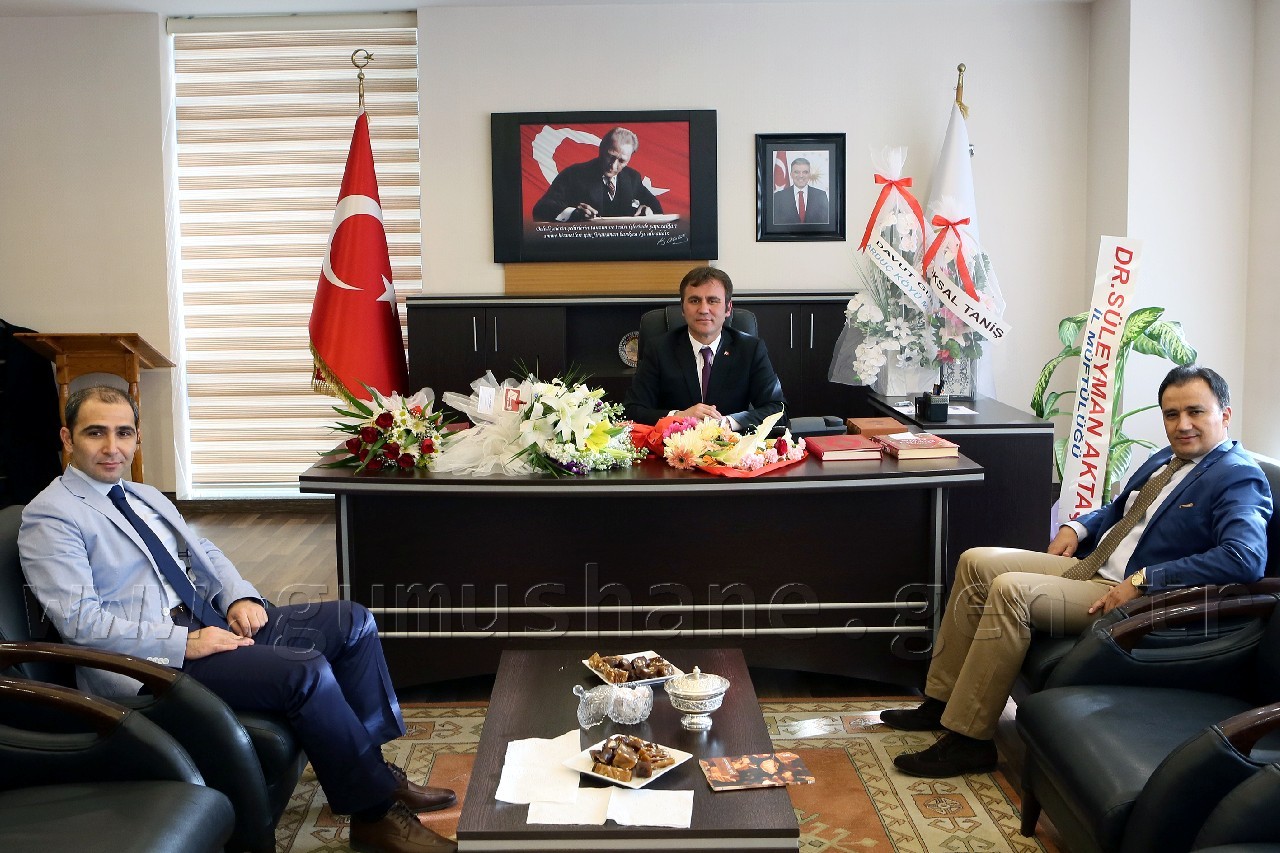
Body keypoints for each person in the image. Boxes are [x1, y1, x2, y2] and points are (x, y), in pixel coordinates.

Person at [19, 385, 458, 853]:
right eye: (96, 433)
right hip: (155, 664)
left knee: (353, 622)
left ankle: (371, 771)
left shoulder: (142, 495)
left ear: (137, 437)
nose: (113, 447)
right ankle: (374, 817)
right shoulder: (51, 516)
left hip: (212, 624)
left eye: (124, 433)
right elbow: (81, 622)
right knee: (305, 671)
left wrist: (238, 596)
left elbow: (203, 552)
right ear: (67, 438)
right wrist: (184, 642)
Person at [882, 364, 1272, 778]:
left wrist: (1145, 580)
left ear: (1225, 415)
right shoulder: (1168, 458)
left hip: (1131, 594)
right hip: (1094, 564)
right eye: (1172, 415)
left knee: (1011, 591)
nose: (1183, 425)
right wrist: (1078, 526)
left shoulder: (1238, 477)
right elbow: (1122, 509)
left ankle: (969, 740)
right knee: (976, 560)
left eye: (1196, 412)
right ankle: (942, 700)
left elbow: (1244, 557)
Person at [624, 266, 787, 432]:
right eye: (694, 301)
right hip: (674, 445)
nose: (703, 310)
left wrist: (728, 423)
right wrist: (678, 417)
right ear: (682, 308)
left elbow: (778, 410)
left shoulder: (750, 349)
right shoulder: (658, 349)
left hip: (732, 444)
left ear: (728, 308)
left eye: (712, 301)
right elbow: (632, 410)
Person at [531, 126, 663, 222]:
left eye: (622, 161)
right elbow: (541, 209)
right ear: (601, 149)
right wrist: (573, 213)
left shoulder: (632, 177)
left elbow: (656, 208)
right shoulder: (574, 174)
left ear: (630, 158)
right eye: (610, 156)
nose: (613, 166)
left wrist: (649, 211)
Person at [773, 157, 829, 225]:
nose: (801, 176)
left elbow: (826, 225)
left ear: (809, 174)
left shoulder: (821, 196)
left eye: (805, 172)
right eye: (797, 172)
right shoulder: (778, 197)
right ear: (791, 174)